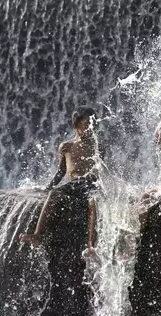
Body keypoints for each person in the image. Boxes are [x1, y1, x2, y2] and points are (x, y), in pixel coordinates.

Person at [19, 106, 101, 254]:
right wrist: (48, 187)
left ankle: (90, 246)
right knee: (54, 195)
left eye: (92, 124)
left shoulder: (96, 145)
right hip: (74, 185)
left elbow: (102, 168)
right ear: (76, 124)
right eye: (86, 124)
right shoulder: (67, 147)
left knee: (92, 202)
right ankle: (37, 235)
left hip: (90, 182)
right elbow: (61, 172)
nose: (90, 128)